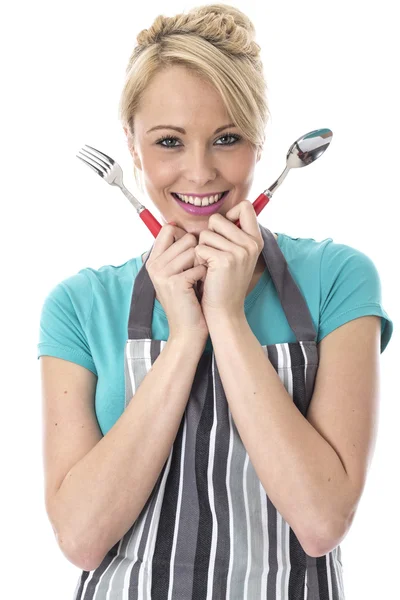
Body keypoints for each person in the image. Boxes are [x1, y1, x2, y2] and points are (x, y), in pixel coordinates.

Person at [37, 3, 393, 599]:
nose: (199, 173)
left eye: (227, 138)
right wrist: (184, 339)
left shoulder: (338, 279)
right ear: (132, 145)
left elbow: (322, 520)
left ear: (260, 144)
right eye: (169, 142)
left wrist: (225, 318)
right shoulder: (78, 304)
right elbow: (81, 536)